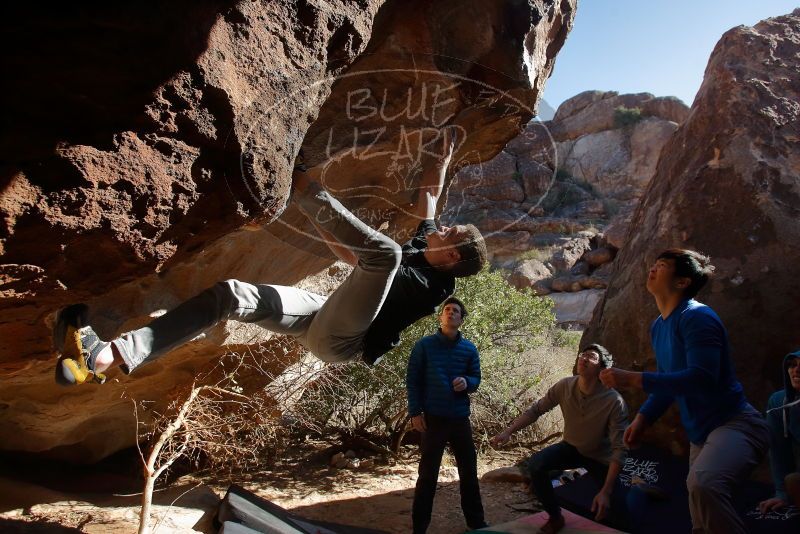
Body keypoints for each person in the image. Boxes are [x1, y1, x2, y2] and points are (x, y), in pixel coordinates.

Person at [54, 128, 487, 385]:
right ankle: (108, 357)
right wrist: (442, 154)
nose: (441, 227)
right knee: (230, 295)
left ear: (451, 255)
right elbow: (428, 196)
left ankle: (303, 184)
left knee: (385, 254)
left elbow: (367, 261)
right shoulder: (427, 247)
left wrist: (306, 195)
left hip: (344, 340)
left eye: (448, 233)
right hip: (326, 315)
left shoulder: (432, 285)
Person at [599, 248, 770, 534]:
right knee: (701, 520)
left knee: (704, 485)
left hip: (735, 424)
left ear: (682, 282)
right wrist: (643, 418)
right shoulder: (659, 326)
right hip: (700, 435)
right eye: (654, 263)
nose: (652, 268)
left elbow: (700, 379)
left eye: (662, 265)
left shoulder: (698, 318)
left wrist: (634, 379)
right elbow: (670, 380)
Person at [491, 344, 628, 534]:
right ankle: (555, 517)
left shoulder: (614, 401)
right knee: (536, 465)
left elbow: (619, 448)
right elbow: (536, 410)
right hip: (571, 447)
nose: (584, 359)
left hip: (599, 456)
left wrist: (606, 491)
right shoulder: (565, 385)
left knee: (620, 509)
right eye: (583, 355)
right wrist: (508, 431)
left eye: (592, 357)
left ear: (602, 368)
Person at [406, 297, 487, 534]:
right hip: (433, 419)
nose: (451, 313)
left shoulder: (469, 348)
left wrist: (468, 382)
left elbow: (476, 378)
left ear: (461, 320)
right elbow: (413, 381)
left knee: (469, 472)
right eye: (447, 310)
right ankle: (419, 527)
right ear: (441, 317)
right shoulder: (424, 346)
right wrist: (415, 412)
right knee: (428, 475)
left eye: (456, 311)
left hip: (460, 419)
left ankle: (476, 522)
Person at [758, 349, 800, 513]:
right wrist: (782, 493)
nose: (795, 370)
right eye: (792, 365)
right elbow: (778, 450)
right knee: (793, 481)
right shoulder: (778, 402)